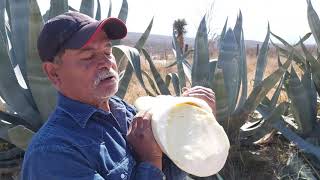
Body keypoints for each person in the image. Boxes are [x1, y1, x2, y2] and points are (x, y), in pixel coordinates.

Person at [20, 11, 216, 180]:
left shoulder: (125, 112)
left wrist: (194, 119)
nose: (106, 63)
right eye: (88, 56)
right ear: (54, 73)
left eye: (107, 51)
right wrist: (150, 161)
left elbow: (175, 169)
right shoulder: (52, 154)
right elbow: (157, 164)